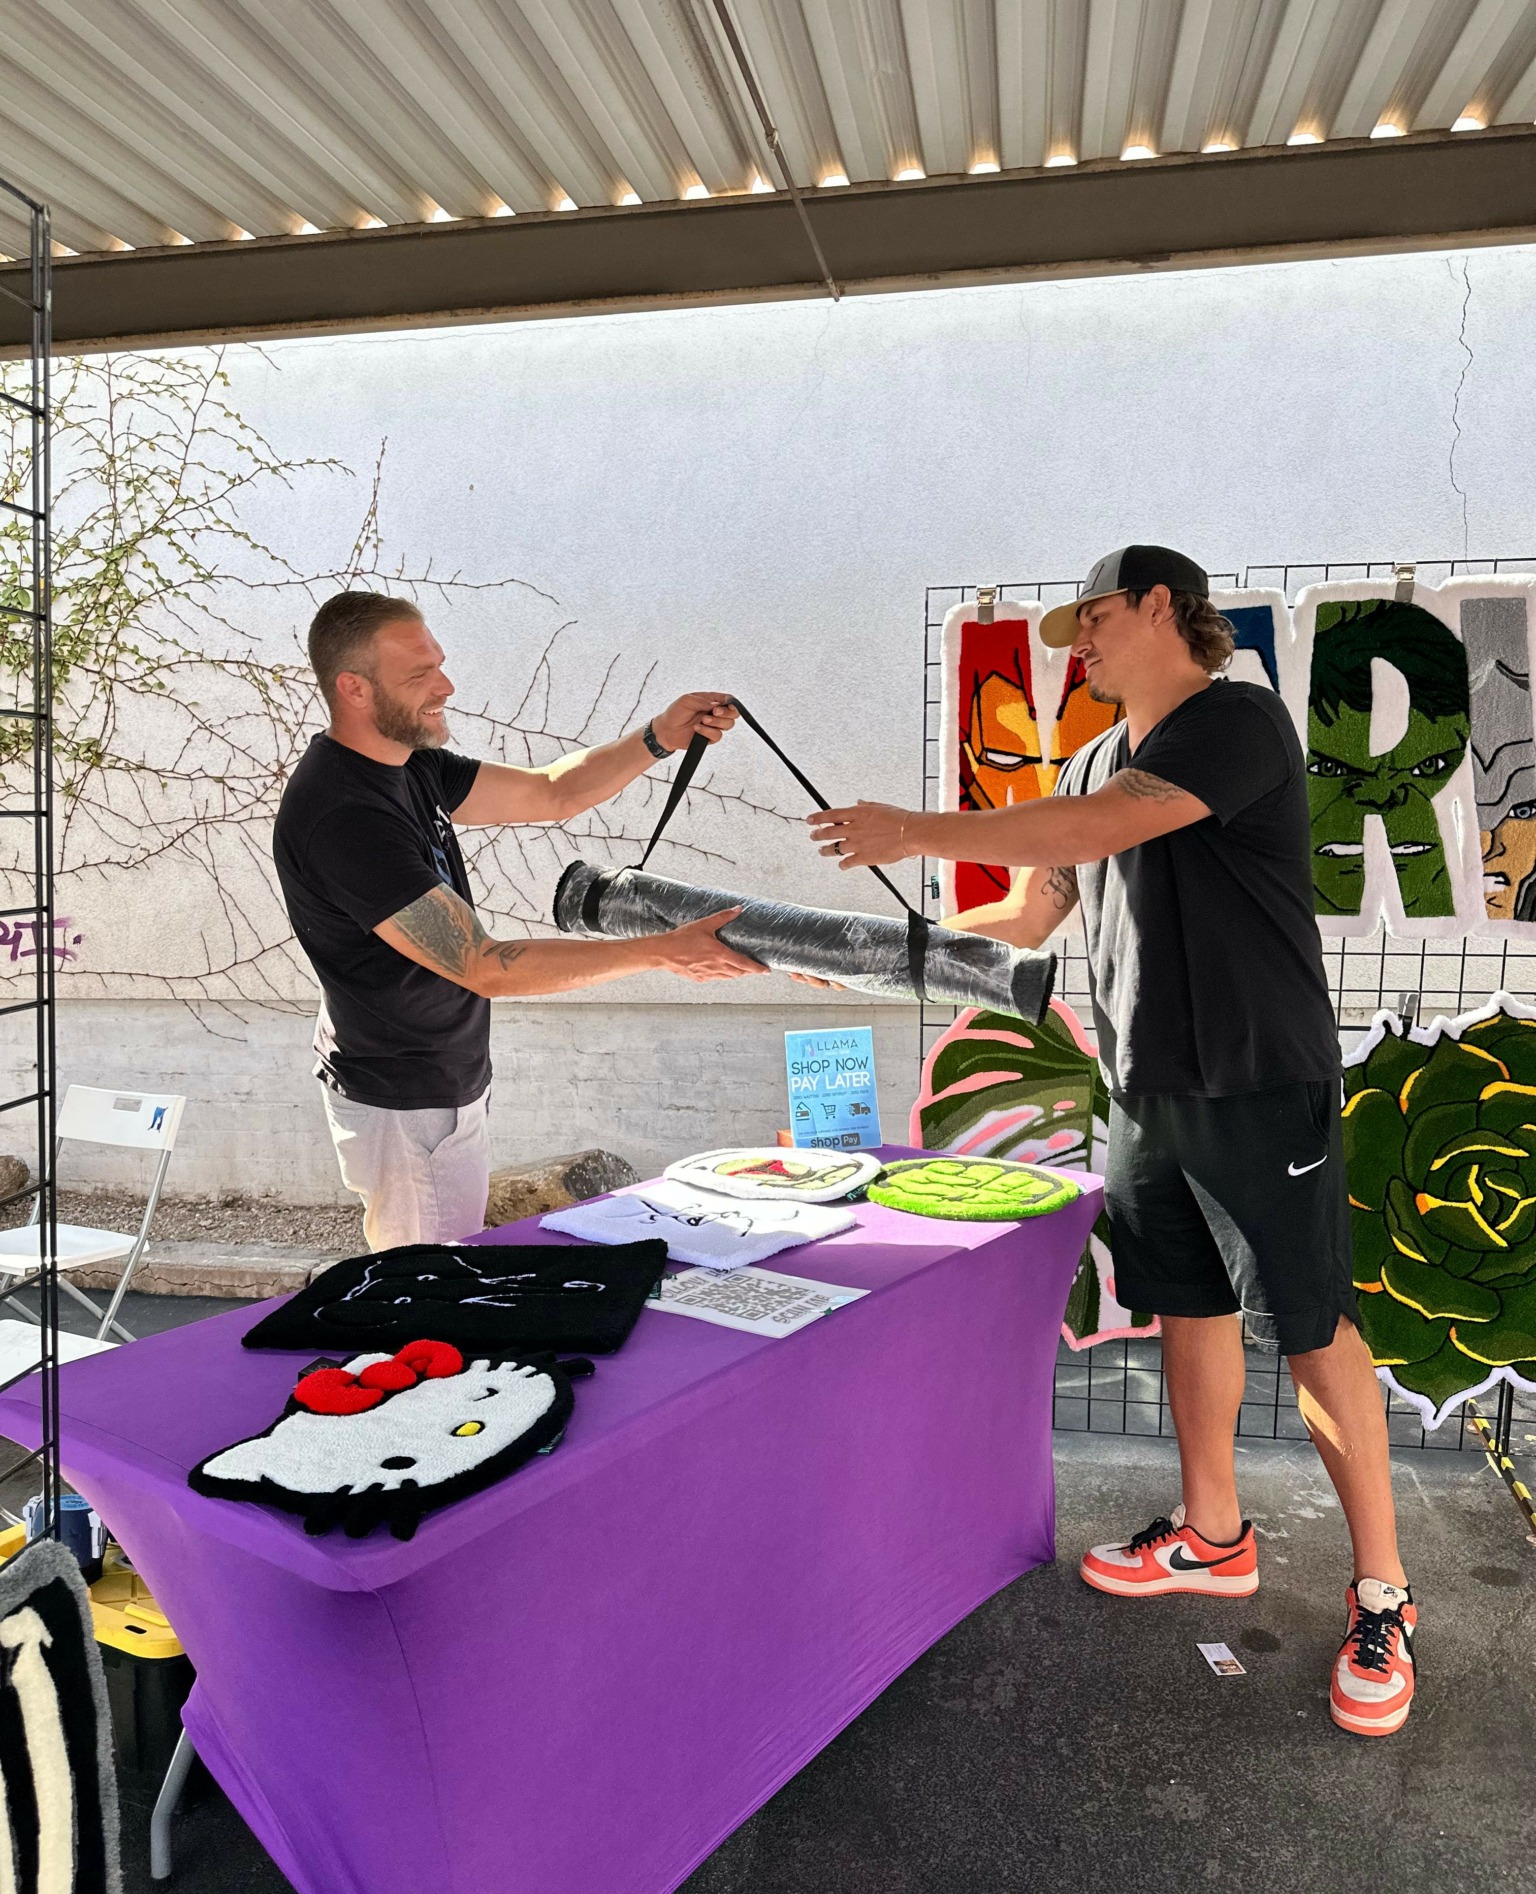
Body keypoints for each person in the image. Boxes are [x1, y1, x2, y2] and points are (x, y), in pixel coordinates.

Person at [805, 544, 1417, 1739]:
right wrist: (862, 949)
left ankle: (1385, 1593)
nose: (1077, 646)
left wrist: (910, 827)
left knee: (1312, 1328)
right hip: (1144, 1088)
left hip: (1260, 1083)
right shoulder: (1089, 754)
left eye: (1091, 619)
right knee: (1185, 1303)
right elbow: (1029, 911)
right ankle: (1214, 1535)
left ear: (1159, 606)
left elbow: (1100, 824)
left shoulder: (1236, 722)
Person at [275, 590, 766, 1251]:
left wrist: (660, 737)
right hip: (405, 1101)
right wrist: (664, 951)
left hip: (436, 1081)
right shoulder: (346, 816)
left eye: (439, 664)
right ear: (354, 688)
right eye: (420, 675)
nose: (446, 686)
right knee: (432, 1289)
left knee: (446, 1278)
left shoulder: (407, 763)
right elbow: (483, 966)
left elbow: (552, 791)